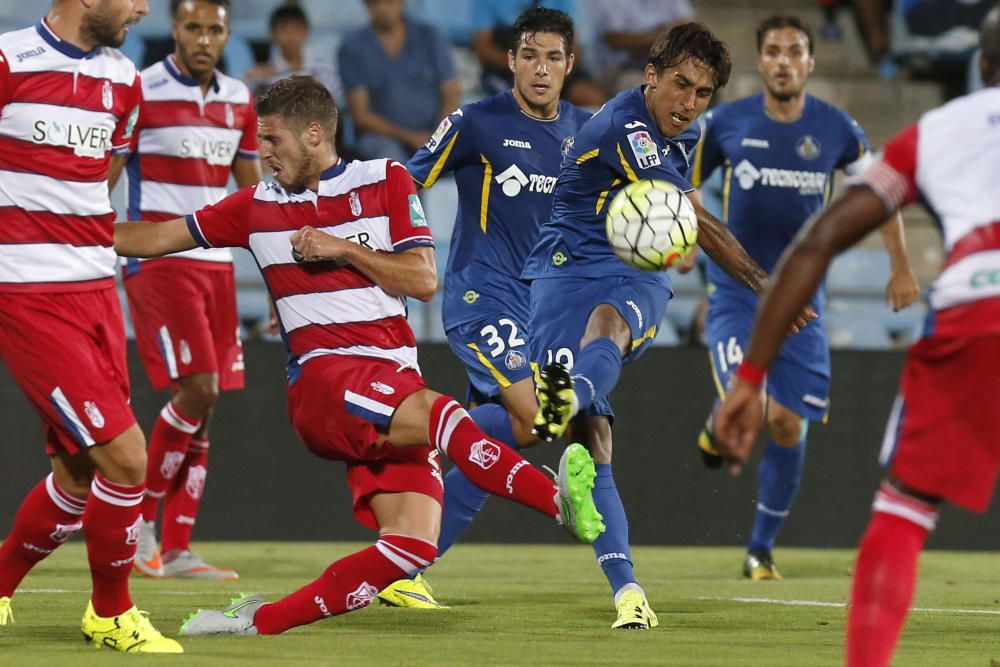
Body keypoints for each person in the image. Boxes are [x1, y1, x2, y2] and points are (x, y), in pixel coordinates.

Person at [112, 74, 606, 636]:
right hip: (325, 381)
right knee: (443, 414)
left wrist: (341, 247)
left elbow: (422, 279)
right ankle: (556, 501)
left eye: (272, 140)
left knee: (411, 547)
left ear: (314, 133)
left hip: (390, 379)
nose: (261, 154)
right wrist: (62, 227)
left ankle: (256, 622)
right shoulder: (254, 207)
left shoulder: (385, 179)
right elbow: (153, 238)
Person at [713, 7, 1000, 665]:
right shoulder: (736, 126)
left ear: (981, 67)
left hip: (974, 310)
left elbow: (820, 240)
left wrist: (749, 377)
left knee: (902, 512)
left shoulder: (937, 131)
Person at [526, 22, 815, 630]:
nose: (688, 103)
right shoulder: (625, 126)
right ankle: (422, 556)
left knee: (608, 331)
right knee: (587, 443)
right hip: (564, 268)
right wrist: (768, 286)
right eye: (679, 85)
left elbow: (679, 218)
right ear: (650, 76)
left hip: (633, 270)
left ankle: (629, 594)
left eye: (703, 92)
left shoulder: (686, 131)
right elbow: (695, 219)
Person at [688, 15, 920, 581]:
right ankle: (722, 423)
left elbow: (882, 192)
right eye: (773, 51)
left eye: (795, 51)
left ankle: (759, 549)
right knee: (762, 410)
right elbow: (684, 187)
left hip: (804, 305)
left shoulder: (837, 129)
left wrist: (901, 266)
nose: (784, 60)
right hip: (738, 297)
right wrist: (681, 243)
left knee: (790, 425)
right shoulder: (723, 125)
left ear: (811, 63)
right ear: (760, 62)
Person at [375, 6, 592, 609]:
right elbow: (404, 181)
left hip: (542, 312)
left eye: (553, 57)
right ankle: (474, 457)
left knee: (494, 447)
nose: (541, 68)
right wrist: (394, 249)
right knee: (539, 415)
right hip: (480, 295)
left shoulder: (589, 132)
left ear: (570, 64)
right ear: (511, 61)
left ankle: (403, 564)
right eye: (530, 55)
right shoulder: (474, 123)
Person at [0, 0, 182, 653]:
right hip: (28, 292)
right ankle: (110, 611)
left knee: (79, 474)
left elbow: (98, 187)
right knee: (127, 455)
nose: (141, 8)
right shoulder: (9, 60)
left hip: (98, 293)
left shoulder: (125, 81)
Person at [107, 0, 261, 581]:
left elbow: (252, 198)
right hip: (161, 258)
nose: (203, 39)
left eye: (214, 30)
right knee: (198, 388)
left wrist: (279, 282)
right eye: (193, 27)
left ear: (226, 35)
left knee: (207, 402)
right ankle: (139, 523)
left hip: (216, 267)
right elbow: (110, 177)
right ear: (174, 29)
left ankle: (175, 548)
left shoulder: (239, 100)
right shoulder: (140, 89)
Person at [338, 0, 459, 163]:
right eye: (375, 3)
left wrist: (437, 136)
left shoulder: (429, 37)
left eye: (389, 2)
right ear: (366, 5)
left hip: (435, 132)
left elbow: (451, 94)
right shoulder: (353, 47)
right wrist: (411, 137)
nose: (383, 8)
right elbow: (361, 115)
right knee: (391, 161)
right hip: (382, 138)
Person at [471, 0, 605, 108]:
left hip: (556, 71)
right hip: (508, 72)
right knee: (515, 102)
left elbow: (574, 48)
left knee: (591, 96)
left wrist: (554, 73)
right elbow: (483, 48)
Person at [590, 0, 695, 93]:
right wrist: (659, 37)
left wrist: (651, 40)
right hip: (621, 70)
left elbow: (690, 28)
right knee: (645, 90)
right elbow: (614, 40)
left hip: (666, 64)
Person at [242, 4, 340, 99]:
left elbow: (331, 107)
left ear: (307, 33)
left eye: (296, 29)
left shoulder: (324, 72)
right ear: (272, 35)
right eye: (284, 29)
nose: (291, 36)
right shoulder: (260, 76)